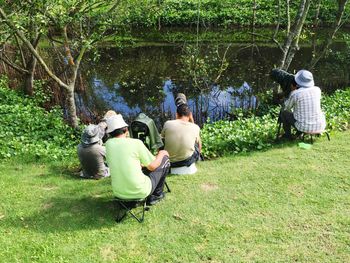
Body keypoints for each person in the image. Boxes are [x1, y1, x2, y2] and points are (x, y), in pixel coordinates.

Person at [105, 114, 170, 205]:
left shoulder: (108, 145)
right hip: (140, 191)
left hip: (118, 193)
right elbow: (152, 166)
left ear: (110, 132)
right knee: (164, 159)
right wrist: (161, 153)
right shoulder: (136, 143)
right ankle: (156, 196)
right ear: (126, 129)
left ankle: (128, 202)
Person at [280, 69, 326, 139]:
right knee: (305, 114)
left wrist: (292, 91)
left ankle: (288, 136)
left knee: (284, 113)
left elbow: (287, 107)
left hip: (304, 127)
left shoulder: (295, 93)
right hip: (320, 125)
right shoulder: (317, 90)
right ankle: (297, 135)